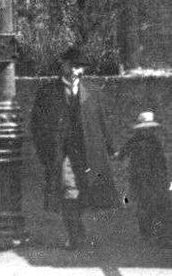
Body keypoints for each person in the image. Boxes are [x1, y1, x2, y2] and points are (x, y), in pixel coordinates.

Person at [30, 46, 120, 249]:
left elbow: (102, 123)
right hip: (62, 153)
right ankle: (75, 234)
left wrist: (111, 148)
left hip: (87, 152)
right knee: (68, 190)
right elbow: (36, 125)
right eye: (71, 66)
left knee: (84, 192)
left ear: (83, 69)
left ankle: (77, 227)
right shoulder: (47, 93)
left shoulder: (93, 92)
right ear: (63, 65)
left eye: (78, 67)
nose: (74, 71)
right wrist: (45, 153)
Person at [117, 111, 171, 245]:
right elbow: (122, 154)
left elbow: (161, 162)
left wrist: (164, 178)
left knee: (156, 205)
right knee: (143, 205)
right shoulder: (134, 141)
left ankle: (157, 234)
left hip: (154, 177)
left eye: (149, 129)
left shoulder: (155, 142)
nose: (147, 131)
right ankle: (146, 234)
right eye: (144, 129)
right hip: (139, 177)